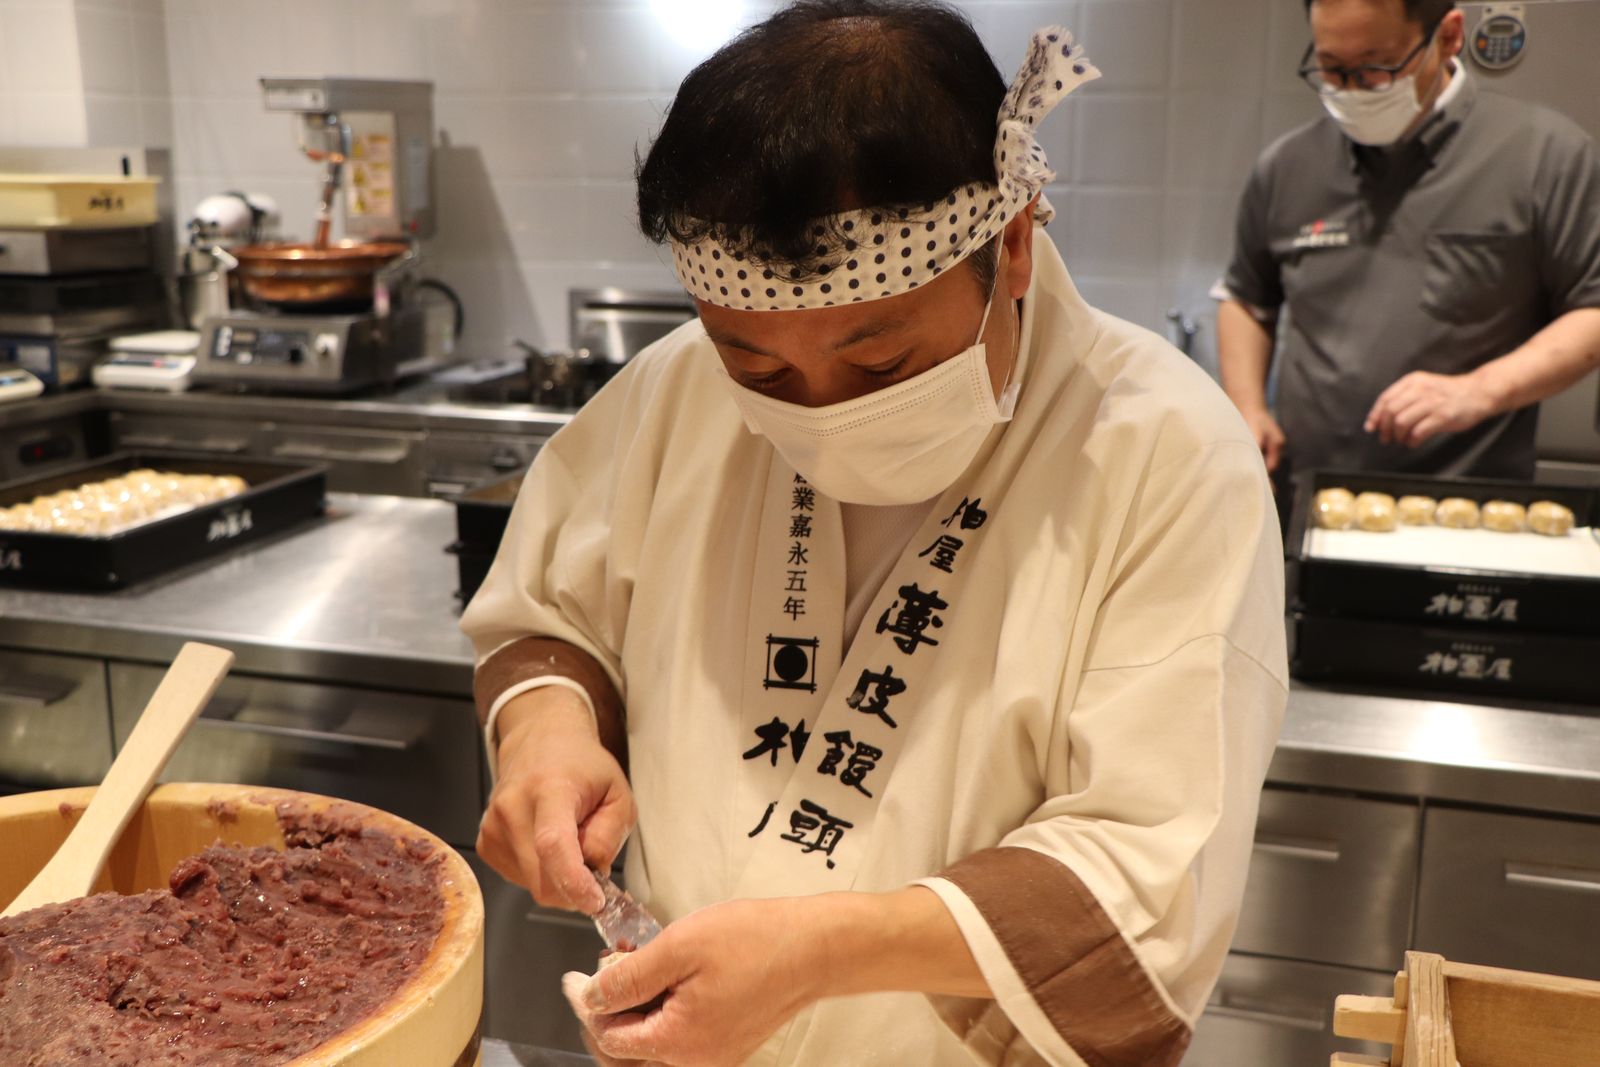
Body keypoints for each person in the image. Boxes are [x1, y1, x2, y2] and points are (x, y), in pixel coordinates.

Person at [463, 3, 1287, 1064]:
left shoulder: (1165, 452)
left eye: (879, 364)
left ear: (1017, 245)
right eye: (758, 368)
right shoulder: (675, 388)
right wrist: (547, 735)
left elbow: (1143, 864)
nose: (816, 412)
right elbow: (550, 611)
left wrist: (816, 951)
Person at [1218, 0, 1600, 481]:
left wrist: (1479, 390)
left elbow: (1593, 309)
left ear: (1448, 37)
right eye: (1332, 69)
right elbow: (1245, 299)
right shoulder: (1288, 164)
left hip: (1466, 504)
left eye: (1377, 67)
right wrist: (1247, 408)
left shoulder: (1543, 156)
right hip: (1305, 499)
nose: (1352, 90)